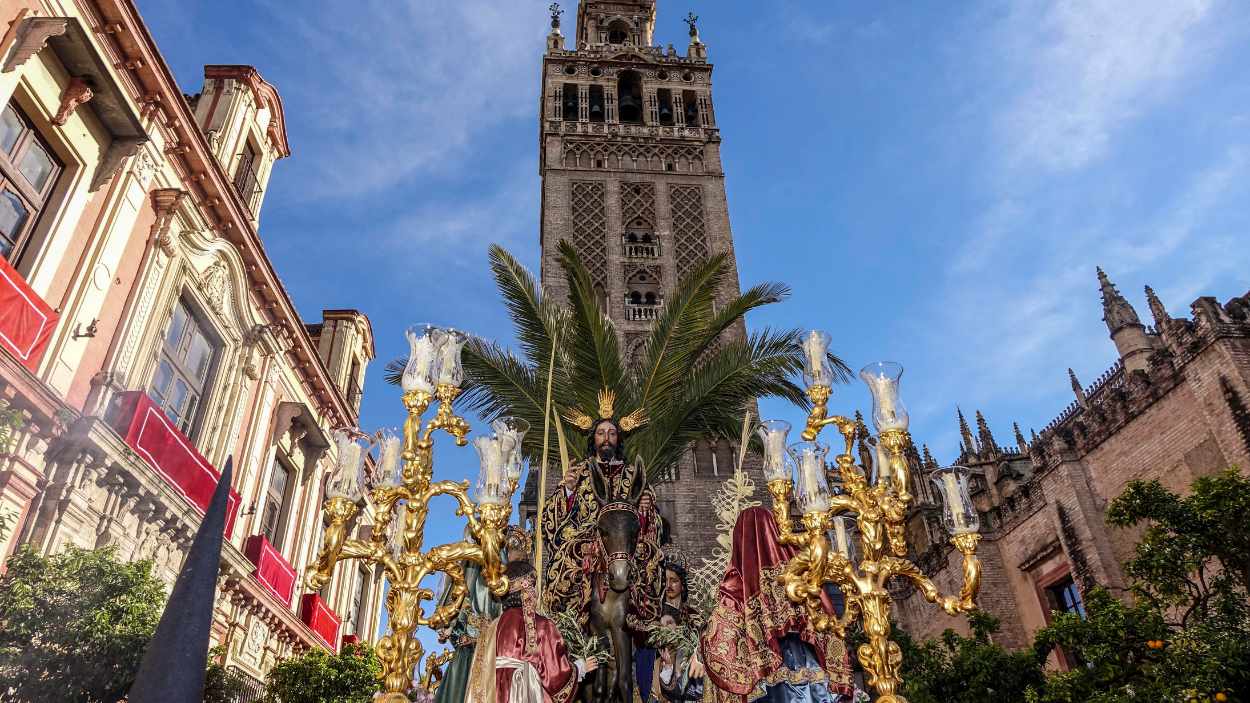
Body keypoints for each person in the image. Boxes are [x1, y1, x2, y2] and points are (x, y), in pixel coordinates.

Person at [701, 507, 854, 703]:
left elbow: (722, 635)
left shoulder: (738, 582)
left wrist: (701, 649)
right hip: (809, 662)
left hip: (766, 672)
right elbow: (824, 613)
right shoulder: (798, 570)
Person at [539, 413, 664, 630]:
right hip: (587, 548)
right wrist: (568, 490)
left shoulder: (633, 475)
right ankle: (568, 621)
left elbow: (654, 527)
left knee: (652, 565)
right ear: (593, 439)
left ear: (618, 440)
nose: (606, 438)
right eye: (601, 433)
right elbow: (551, 520)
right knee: (567, 560)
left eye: (612, 433)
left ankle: (645, 620)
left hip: (626, 548)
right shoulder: (580, 475)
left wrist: (645, 509)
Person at [466, 561, 598, 703]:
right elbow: (555, 676)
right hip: (526, 693)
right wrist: (579, 669)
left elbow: (478, 675)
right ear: (527, 590)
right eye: (533, 587)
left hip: (493, 694)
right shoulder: (540, 624)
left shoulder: (491, 627)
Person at [436, 527, 525, 703]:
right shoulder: (468, 572)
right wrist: (458, 632)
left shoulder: (503, 577)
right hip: (468, 656)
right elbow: (456, 613)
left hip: (496, 659)